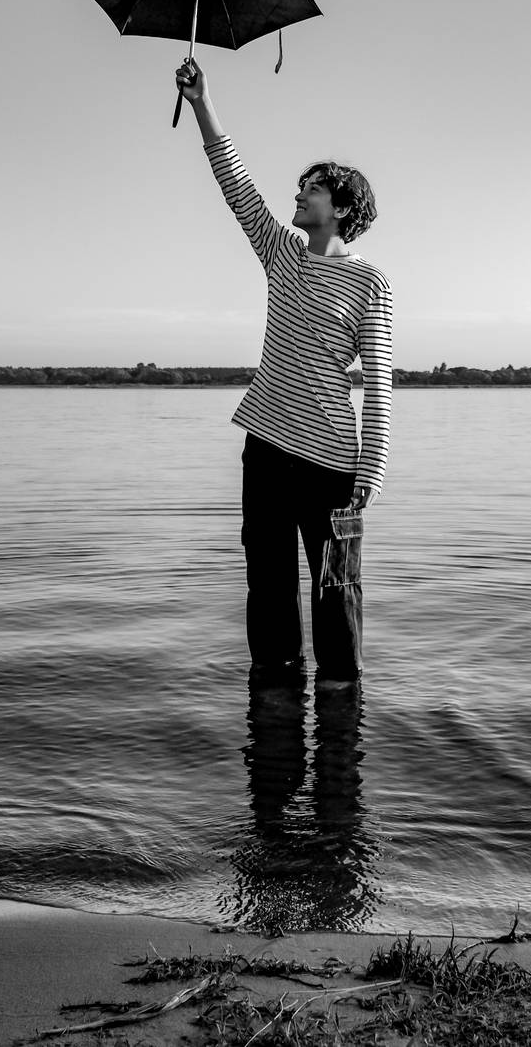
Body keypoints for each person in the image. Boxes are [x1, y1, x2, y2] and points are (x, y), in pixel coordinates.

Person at [175, 59, 393, 682]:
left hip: (332, 466)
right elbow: (234, 182)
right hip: (266, 452)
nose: (298, 195)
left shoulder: (370, 283)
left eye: (312, 189)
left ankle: (342, 713)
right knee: (268, 595)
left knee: (337, 597)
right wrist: (202, 101)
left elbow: (378, 386)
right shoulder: (281, 254)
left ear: (342, 207)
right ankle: (273, 707)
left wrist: (372, 471)